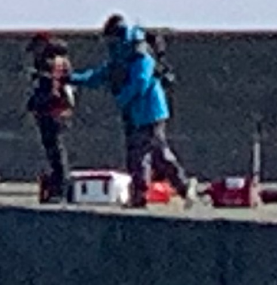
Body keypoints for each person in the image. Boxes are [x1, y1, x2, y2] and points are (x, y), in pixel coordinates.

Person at [70, 15, 198, 209]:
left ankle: (179, 188)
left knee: (155, 154)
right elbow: (99, 75)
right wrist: (73, 78)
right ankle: (147, 194)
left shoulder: (139, 52)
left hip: (151, 111)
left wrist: (123, 99)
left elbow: (141, 81)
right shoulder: (119, 56)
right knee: (141, 155)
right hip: (135, 114)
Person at [24, 33, 75, 203]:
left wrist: (35, 102)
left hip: (52, 114)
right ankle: (60, 186)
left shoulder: (48, 64)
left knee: (55, 152)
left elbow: (48, 91)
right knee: (56, 151)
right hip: (61, 112)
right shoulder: (63, 62)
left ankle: (60, 187)